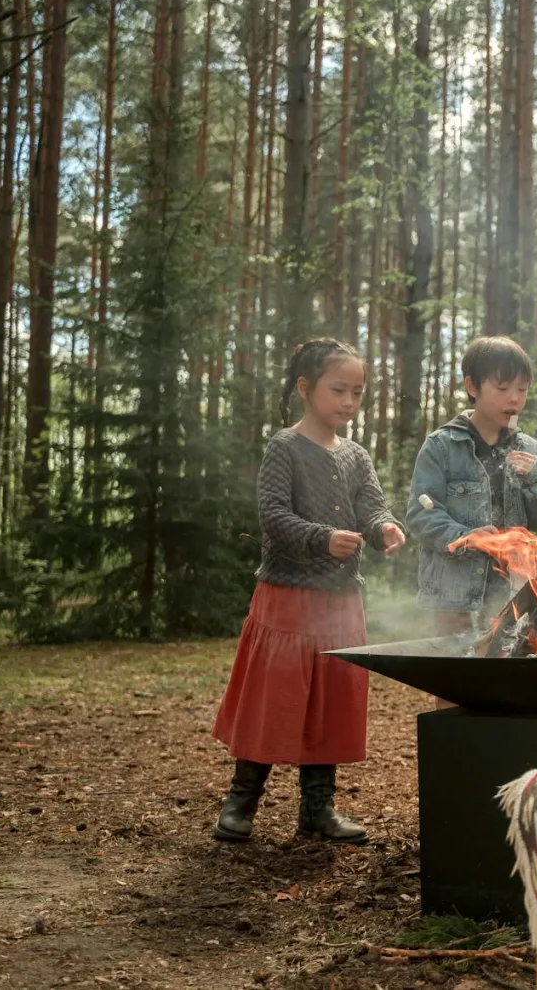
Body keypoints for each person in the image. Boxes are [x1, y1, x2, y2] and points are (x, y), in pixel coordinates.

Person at [212, 338, 406, 844]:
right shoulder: (285, 447)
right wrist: (321, 538)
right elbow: (273, 517)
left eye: (358, 392)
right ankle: (242, 802)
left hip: (341, 601)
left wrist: (386, 528)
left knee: (332, 698)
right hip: (288, 597)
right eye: (338, 389)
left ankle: (317, 809)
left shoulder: (357, 456)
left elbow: (372, 506)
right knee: (273, 697)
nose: (348, 401)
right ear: (305, 387)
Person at [406, 336, 537, 637]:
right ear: (472, 387)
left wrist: (534, 479)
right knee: (457, 679)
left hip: (514, 596)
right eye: (502, 389)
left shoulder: (529, 448)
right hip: (455, 600)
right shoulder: (441, 446)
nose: (514, 399)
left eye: (522, 390)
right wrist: (466, 538)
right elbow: (420, 515)